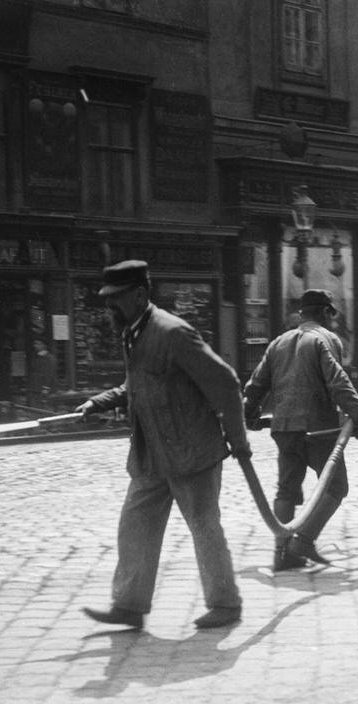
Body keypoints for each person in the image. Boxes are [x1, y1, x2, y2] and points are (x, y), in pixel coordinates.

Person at [76, 260, 252, 632]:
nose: (109, 307)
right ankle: (128, 605)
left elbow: (226, 383)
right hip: (151, 452)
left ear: (140, 295)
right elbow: (135, 385)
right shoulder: (133, 332)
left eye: (116, 299)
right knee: (135, 523)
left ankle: (225, 603)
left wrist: (239, 442)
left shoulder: (172, 332)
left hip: (192, 450)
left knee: (204, 527)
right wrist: (99, 401)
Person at [243, 289, 358, 571]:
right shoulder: (326, 340)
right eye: (330, 314)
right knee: (336, 486)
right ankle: (302, 542)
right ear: (326, 313)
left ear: (302, 314)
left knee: (286, 490)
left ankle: (281, 554)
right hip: (318, 430)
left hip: (284, 429)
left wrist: (248, 414)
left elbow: (256, 385)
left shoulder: (277, 343)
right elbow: (338, 382)